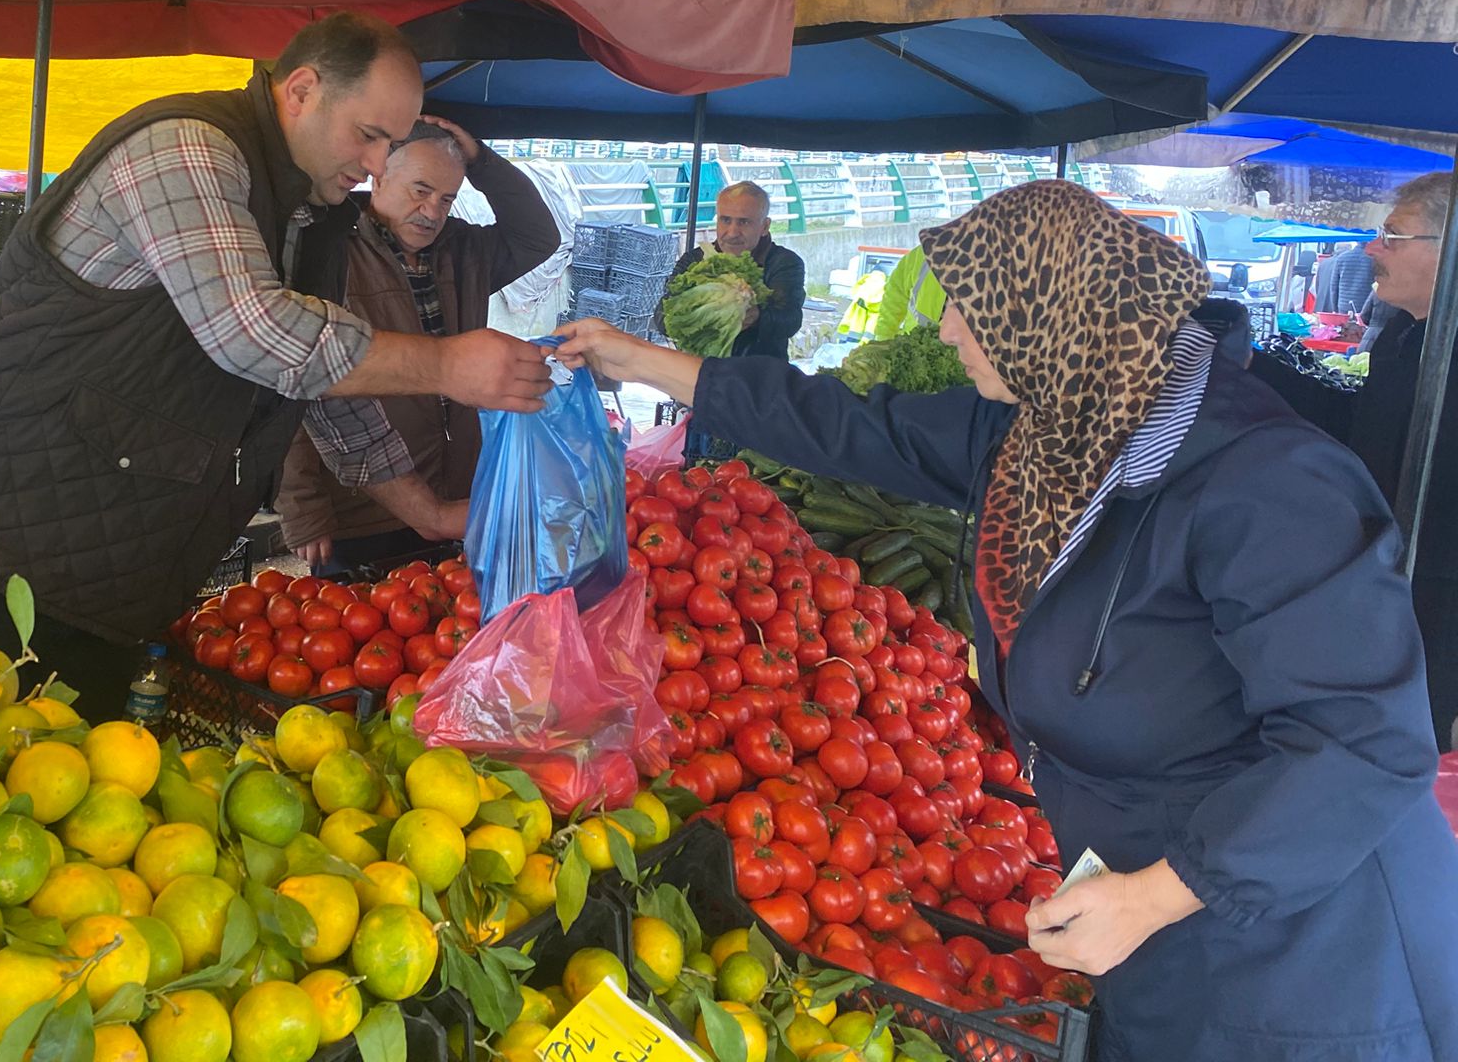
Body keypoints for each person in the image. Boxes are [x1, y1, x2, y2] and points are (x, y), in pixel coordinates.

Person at [557, 181, 1458, 1062]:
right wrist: (641, 361)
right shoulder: (1044, 437)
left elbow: (1362, 741)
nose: (948, 332)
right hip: (1157, 926)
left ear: (1050, 312)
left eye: (970, 307)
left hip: (1316, 959)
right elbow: (846, 423)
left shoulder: (1269, 483)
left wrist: (1159, 896)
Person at [0, 12, 552, 716]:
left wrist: (433, 514)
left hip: (111, 574)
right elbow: (253, 331)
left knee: (70, 798)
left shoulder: (309, 216)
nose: (379, 165)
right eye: (370, 136)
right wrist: (444, 364)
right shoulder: (186, 151)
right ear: (300, 92)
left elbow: (323, 391)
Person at [274, 118, 560, 568]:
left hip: (459, 493)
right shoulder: (326, 250)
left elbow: (539, 236)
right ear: (381, 173)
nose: (432, 211)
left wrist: (483, 163)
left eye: (447, 198)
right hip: (364, 505)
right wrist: (304, 505)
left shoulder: (464, 249)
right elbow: (294, 383)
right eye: (420, 190)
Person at [1254, 171, 1457, 745]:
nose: (1372, 247)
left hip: (1441, 600)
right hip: (1389, 574)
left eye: (1394, 235)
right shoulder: (1405, 336)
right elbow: (1353, 425)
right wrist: (1253, 368)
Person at [672, 181, 805, 358]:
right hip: (698, 371)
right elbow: (662, 315)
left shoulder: (784, 263)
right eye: (725, 220)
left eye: (744, 222)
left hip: (759, 375)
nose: (732, 232)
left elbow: (790, 320)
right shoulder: (694, 259)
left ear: (764, 226)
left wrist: (757, 317)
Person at [873, 245, 946, 340]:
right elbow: (894, 298)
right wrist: (883, 339)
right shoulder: (921, 254)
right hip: (912, 347)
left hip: (960, 350)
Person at [1313, 239, 1376, 315]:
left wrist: (1335, 309)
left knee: (1344, 326)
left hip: (1343, 305)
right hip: (1365, 305)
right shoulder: (1373, 260)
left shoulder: (1341, 258)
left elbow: (1334, 287)